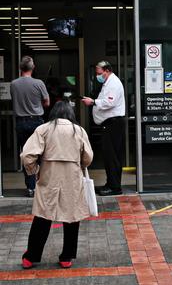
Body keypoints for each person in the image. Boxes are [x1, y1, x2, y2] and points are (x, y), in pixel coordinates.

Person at [20, 100, 94, 269]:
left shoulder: (43, 129)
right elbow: (88, 157)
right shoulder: (78, 130)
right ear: (70, 114)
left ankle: (30, 257)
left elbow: (27, 155)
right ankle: (66, 257)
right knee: (72, 217)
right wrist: (80, 165)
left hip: (49, 177)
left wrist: (35, 170)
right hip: (72, 178)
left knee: (42, 216)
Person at [81, 61, 125, 196]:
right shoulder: (108, 83)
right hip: (110, 124)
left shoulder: (113, 83)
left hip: (113, 124)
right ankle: (111, 184)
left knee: (111, 156)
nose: (97, 76)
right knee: (109, 156)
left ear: (107, 70)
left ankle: (114, 187)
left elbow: (110, 102)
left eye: (99, 73)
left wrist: (93, 102)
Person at [10, 56, 50, 197]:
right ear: (33, 68)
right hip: (36, 122)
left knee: (26, 155)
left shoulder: (14, 84)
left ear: (20, 68)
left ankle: (30, 188)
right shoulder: (39, 83)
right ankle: (42, 184)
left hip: (20, 122)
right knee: (41, 153)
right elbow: (47, 102)